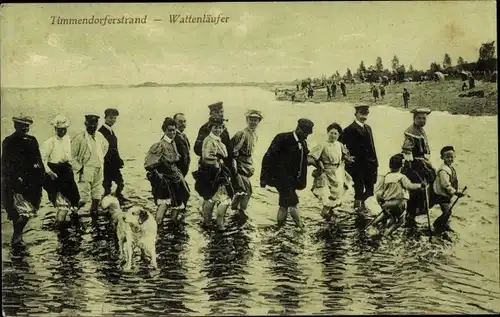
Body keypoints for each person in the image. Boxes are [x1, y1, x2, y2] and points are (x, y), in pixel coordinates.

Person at [260, 118, 315, 229]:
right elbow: (268, 157)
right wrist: (263, 177)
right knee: (294, 202)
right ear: (298, 129)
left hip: (292, 180)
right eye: (305, 133)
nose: (306, 136)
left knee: (284, 204)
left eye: (308, 134)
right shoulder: (282, 138)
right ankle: (301, 227)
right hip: (279, 177)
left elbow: (306, 158)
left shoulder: (303, 141)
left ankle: (280, 226)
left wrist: (318, 165)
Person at [1, 115, 45, 245]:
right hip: (15, 181)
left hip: (32, 181)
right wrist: (14, 177)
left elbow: (38, 158)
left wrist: (41, 172)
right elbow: (5, 162)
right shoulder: (9, 141)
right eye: (22, 126)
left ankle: (17, 235)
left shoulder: (32, 140)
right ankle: (17, 236)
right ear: (15, 126)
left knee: (29, 208)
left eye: (27, 126)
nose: (25, 128)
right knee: (19, 210)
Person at [145, 117, 190, 225]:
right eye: (169, 130)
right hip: (165, 180)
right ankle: (156, 228)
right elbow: (149, 164)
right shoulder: (160, 145)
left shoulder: (173, 143)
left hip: (176, 178)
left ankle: (172, 226)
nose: (172, 132)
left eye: (174, 130)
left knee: (178, 202)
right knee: (164, 204)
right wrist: (159, 175)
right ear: (164, 131)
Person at [41, 115, 84, 225]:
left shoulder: (68, 140)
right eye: (60, 129)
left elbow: (72, 157)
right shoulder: (49, 142)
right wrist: (50, 173)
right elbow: (42, 160)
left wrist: (79, 169)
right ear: (55, 129)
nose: (62, 132)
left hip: (67, 172)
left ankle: (72, 220)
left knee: (75, 200)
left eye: (64, 129)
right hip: (55, 173)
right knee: (62, 203)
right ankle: (60, 226)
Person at [193, 117, 234, 230]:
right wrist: (217, 160)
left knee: (217, 196)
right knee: (210, 196)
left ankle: (213, 223)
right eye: (215, 127)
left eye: (220, 127)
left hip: (218, 171)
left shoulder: (218, 140)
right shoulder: (208, 140)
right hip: (210, 172)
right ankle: (211, 223)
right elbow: (206, 156)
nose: (218, 130)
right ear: (211, 128)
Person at [309, 122, 353, 219]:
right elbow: (310, 158)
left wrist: (347, 159)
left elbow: (345, 155)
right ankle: (324, 216)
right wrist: (319, 165)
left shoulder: (340, 144)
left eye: (335, 133)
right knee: (327, 198)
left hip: (338, 172)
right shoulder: (322, 145)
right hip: (326, 173)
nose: (333, 135)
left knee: (338, 195)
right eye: (331, 133)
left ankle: (330, 215)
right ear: (328, 133)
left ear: (339, 135)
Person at [400, 108, 436, 228]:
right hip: (413, 165)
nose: (422, 120)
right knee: (417, 189)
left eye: (424, 118)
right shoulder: (411, 132)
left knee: (432, 183)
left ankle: (417, 213)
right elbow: (406, 149)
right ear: (414, 119)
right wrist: (410, 164)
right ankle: (411, 215)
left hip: (422, 163)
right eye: (419, 118)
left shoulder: (420, 130)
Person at [373, 154, 426, 234]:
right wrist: (420, 185)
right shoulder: (402, 177)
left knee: (390, 216)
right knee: (401, 221)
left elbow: (380, 191)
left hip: (388, 203)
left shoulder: (386, 177)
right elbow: (410, 186)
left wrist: (381, 202)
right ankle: (387, 232)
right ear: (402, 166)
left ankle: (375, 224)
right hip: (399, 203)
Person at [339, 104, 378, 211]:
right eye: (361, 114)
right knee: (359, 190)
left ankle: (361, 205)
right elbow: (339, 145)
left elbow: (372, 148)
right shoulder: (349, 129)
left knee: (370, 191)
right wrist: (346, 157)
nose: (364, 117)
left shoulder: (368, 128)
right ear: (356, 114)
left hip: (370, 165)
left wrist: (376, 164)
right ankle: (357, 210)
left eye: (366, 114)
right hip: (357, 166)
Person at [71, 114, 109, 216]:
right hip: (86, 168)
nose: (92, 126)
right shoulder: (79, 138)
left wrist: (100, 159)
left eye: (95, 124)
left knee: (97, 191)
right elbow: (71, 156)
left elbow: (106, 147)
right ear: (85, 124)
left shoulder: (100, 136)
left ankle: (94, 211)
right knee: (84, 196)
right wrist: (80, 168)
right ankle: (72, 210)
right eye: (90, 124)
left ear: (97, 124)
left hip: (98, 167)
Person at [230, 109, 263, 216]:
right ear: (247, 120)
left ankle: (234, 210)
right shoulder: (242, 134)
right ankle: (240, 212)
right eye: (251, 120)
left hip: (247, 166)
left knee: (240, 191)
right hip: (239, 166)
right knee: (246, 190)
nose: (253, 122)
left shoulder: (255, 135)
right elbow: (233, 152)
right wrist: (234, 169)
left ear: (259, 122)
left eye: (256, 120)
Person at [193, 102, 234, 185]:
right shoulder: (205, 128)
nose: (220, 114)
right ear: (211, 114)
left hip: (223, 166)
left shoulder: (224, 128)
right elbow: (197, 148)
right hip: (209, 166)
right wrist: (214, 156)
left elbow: (228, 147)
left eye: (221, 111)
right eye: (217, 112)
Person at [429, 146, 465, 231]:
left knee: (448, 212)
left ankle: (442, 224)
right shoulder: (443, 171)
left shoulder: (450, 168)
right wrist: (455, 193)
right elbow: (445, 185)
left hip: (446, 194)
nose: (450, 159)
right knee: (447, 211)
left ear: (454, 156)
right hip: (440, 195)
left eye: (451, 157)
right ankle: (437, 224)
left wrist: (455, 191)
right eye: (447, 157)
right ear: (442, 158)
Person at [98, 108, 127, 202]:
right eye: (111, 118)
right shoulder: (101, 132)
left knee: (120, 182)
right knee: (107, 184)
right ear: (105, 118)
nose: (113, 120)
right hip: (106, 163)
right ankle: (105, 202)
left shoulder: (111, 130)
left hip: (114, 163)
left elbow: (114, 148)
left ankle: (118, 196)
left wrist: (119, 159)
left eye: (114, 118)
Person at [173, 113, 191, 178]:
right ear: (174, 123)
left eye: (184, 121)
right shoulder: (172, 137)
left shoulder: (184, 136)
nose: (183, 124)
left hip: (182, 174)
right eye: (180, 122)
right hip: (175, 175)